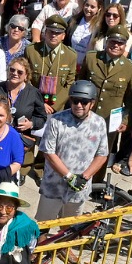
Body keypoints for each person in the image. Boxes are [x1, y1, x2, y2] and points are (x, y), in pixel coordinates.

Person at [35, 80, 110, 224]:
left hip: (78, 189)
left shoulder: (99, 123)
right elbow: (48, 152)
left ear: (92, 103)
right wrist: (69, 177)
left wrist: (84, 177)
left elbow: (102, 155)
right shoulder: (56, 120)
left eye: (84, 102)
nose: (79, 105)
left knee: (69, 229)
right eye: (75, 101)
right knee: (43, 226)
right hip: (53, 187)